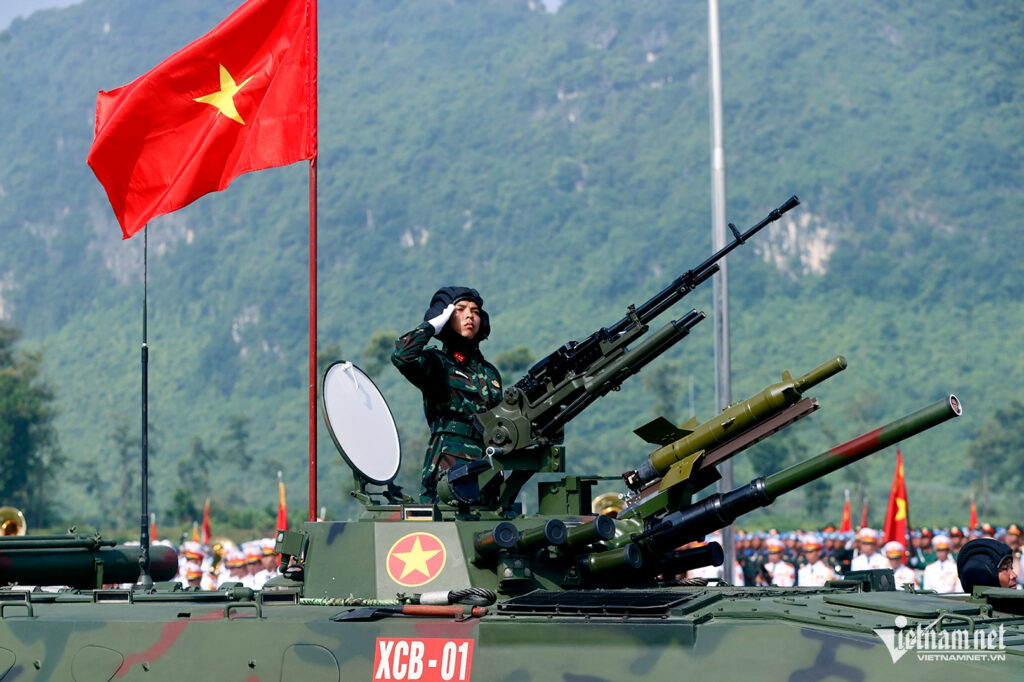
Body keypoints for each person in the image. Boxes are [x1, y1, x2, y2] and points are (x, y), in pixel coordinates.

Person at [392, 286, 502, 502]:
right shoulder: (437, 363)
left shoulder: (490, 373)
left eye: (475, 311)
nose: (470, 315)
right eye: (460, 310)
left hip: (487, 467)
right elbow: (402, 356)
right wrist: (431, 326)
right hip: (449, 464)